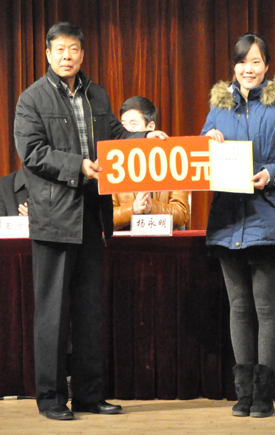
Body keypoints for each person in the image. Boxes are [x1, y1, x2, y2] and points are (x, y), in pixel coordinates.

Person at [14, 21, 167, 421]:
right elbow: (32, 153)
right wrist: (79, 166)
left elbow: (115, 135)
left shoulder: (96, 94)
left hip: (92, 216)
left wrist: (143, 140)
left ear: (83, 54)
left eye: (74, 49)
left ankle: (88, 395)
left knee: (88, 312)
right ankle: (51, 399)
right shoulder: (31, 98)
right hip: (54, 219)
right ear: (47, 54)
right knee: (53, 315)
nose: (67, 56)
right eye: (59, 49)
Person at [201, 33, 275, 418]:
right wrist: (206, 140)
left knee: (264, 307)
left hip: (266, 218)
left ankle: (263, 395)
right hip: (228, 222)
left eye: (256, 62)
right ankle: (243, 394)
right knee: (239, 309)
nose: (249, 69)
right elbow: (200, 157)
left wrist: (269, 174)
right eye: (243, 62)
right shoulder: (218, 107)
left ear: (267, 67)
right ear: (234, 66)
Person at [112, 96, 190, 230]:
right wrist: (133, 209)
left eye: (133, 124)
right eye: (123, 125)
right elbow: (104, 217)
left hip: (164, 240)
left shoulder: (173, 161)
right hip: (124, 240)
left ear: (151, 127)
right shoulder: (114, 164)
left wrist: (152, 207)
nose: (126, 130)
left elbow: (181, 213)